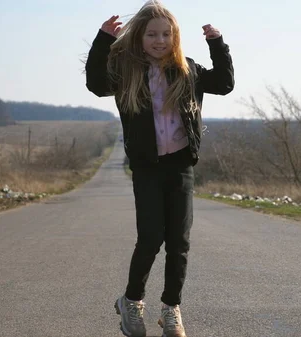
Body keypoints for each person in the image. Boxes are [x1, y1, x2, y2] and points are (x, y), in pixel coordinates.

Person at [85, 1, 234, 336]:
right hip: (147, 166)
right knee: (151, 237)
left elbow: (224, 83)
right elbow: (96, 84)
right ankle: (132, 302)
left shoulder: (187, 70)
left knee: (179, 241)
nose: (159, 39)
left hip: (180, 164)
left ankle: (171, 309)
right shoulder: (126, 72)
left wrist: (217, 43)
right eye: (152, 33)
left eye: (166, 34)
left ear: (175, 37)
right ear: (139, 36)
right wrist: (103, 40)